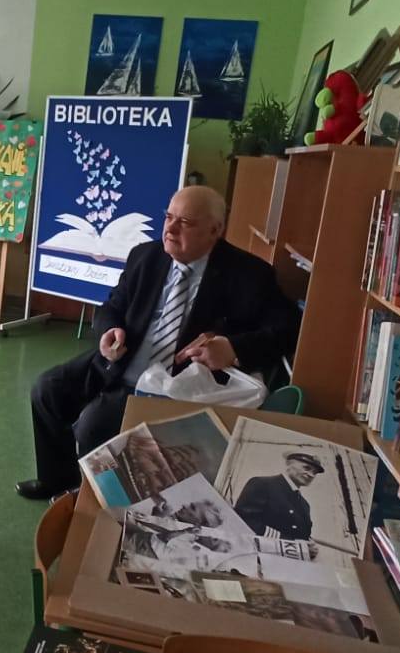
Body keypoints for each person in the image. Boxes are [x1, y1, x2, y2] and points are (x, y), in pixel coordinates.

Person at [18, 186, 301, 500]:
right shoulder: (145, 257)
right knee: (47, 389)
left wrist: (233, 348)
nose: (171, 228)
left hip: (172, 385)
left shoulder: (249, 274)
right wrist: (110, 329)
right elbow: (112, 306)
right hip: (122, 359)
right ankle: (59, 483)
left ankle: (89, 502)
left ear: (215, 230)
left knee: (93, 425)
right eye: (169, 217)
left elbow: (287, 328)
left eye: (185, 222)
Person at [233, 452, 322, 540]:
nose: (311, 475)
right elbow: (244, 520)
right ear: (289, 464)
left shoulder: (305, 505)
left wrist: (309, 544)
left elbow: (302, 535)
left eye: (314, 473)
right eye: (306, 468)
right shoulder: (262, 484)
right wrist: (290, 542)